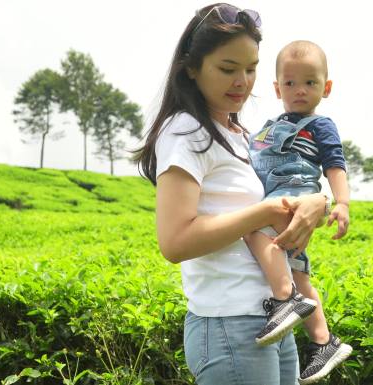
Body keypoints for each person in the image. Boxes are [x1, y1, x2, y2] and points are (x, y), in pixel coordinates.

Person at [135, 4, 330, 384]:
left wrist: (317, 202)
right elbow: (174, 242)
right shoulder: (185, 131)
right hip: (230, 324)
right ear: (191, 69)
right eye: (227, 69)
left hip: (274, 317)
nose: (242, 81)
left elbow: (280, 202)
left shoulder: (241, 136)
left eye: (251, 68)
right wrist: (263, 213)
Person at [244, 40, 353, 384]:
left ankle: (284, 299)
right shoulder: (266, 126)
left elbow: (335, 165)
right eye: (290, 83)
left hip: (296, 192)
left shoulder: (321, 126)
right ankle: (324, 341)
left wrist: (342, 203)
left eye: (310, 82)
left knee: (254, 230)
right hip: (279, 194)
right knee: (298, 269)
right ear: (277, 88)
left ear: (327, 87)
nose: (300, 91)